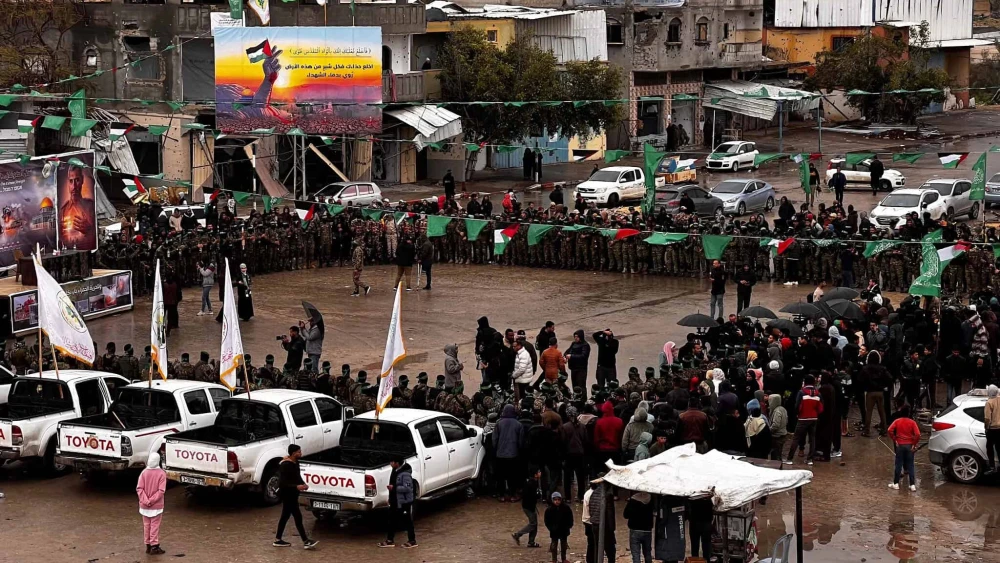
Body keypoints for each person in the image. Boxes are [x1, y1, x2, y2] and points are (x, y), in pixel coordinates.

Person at [273, 445, 318, 549]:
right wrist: (297, 487)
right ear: (293, 453)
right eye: (298, 452)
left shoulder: (295, 463)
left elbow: (297, 476)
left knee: (285, 517)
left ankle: (278, 539)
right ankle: (306, 541)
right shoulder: (285, 465)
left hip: (293, 495)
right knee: (297, 517)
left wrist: (303, 484)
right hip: (288, 495)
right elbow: (283, 484)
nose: (301, 453)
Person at [784, 374, 823, 465]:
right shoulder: (818, 393)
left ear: (805, 382)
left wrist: (797, 414)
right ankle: (809, 459)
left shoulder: (801, 392)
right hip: (814, 418)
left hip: (803, 418)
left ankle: (789, 459)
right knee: (812, 438)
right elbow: (821, 407)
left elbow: (797, 405)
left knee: (796, 438)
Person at [379, 456, 417, 548]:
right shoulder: (394, 471)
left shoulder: (405, 474)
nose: (390, 464)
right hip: (395, 500)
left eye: (392, 462)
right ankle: (389, 540)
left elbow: (408, 488)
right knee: (391, 520)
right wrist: (390, 497)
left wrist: (394, 488)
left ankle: (412, 541)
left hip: (404, 502)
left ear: (397, 463)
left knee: (407, 521)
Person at [136, 452, 167, 555]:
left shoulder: (144, 473)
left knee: (146, 525)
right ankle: (155, 546)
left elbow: (139, 488)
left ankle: (148, 545)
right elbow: (161, 491)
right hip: (156, 506)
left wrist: (145, 500)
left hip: (144, 506)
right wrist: (152, 500)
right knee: (155, 525)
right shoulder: (162, 473)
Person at [494, 404, 524, 502]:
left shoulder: (498, 423)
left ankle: (501, 495)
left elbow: (494, 440)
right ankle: (513, 496)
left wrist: (497, 450)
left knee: (501, 476)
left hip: (500, 455)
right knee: (513, 476)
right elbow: (520, 442)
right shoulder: (518, 424)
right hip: (513, 455)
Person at [887, 405, 920, 491]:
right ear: (909, 413)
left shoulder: (897, 421)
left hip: (900, 445)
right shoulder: (912, 422)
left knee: (898, 464)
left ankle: (896, 483)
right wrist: (914, 444)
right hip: (909, 446)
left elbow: (889, 430)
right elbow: (917, 434)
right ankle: (912, 485)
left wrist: (895, 439)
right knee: (910, 465)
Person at [512, 466, 542, 548]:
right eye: (539, 472)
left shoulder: (533, 481)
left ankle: (531, 542)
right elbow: (531, 496)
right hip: (529, 507)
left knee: (534, 524)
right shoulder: (532, 483)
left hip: (529, 506)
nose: (540, 473)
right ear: (535, 474)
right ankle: (517, 534)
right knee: (533, 524)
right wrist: (538, 495)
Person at [624, 491, 654, 563]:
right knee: (647, 554)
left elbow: (625, 515)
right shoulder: (651, 498)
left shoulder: (633, 499)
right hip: (647, 530)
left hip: (635, 530)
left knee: (636, 555)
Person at [544, 492, 573, 563]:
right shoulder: (549, 510)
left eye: (558, 500)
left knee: (564, 546)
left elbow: (570, 518)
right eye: (555, 500)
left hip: (564, 530)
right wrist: (551, 528)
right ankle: (554, 559)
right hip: (554, 531)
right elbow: (547, 521)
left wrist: (568, 526)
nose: (557, 501)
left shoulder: (566, 508)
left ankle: (564, 558)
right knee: (554, 546)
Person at [564, 330, 591, 401]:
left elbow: (583, 356)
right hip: (573, 368)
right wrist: (566, 356)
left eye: (577, 337)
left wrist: (572, 356)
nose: (575, 338)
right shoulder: (573, 344)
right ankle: (576, 398)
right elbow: (567, 351)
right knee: (575, 385)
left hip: (581, 369)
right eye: (575, 336)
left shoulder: (585, 345)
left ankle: (583, 400)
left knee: (581, 385)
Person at [985, 385, 1000, 475]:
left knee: (989, 448)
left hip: (992, 429)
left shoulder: (989, 402)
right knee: (999, 448)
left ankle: (992, 467)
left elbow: (987, 418)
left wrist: (986, 427)